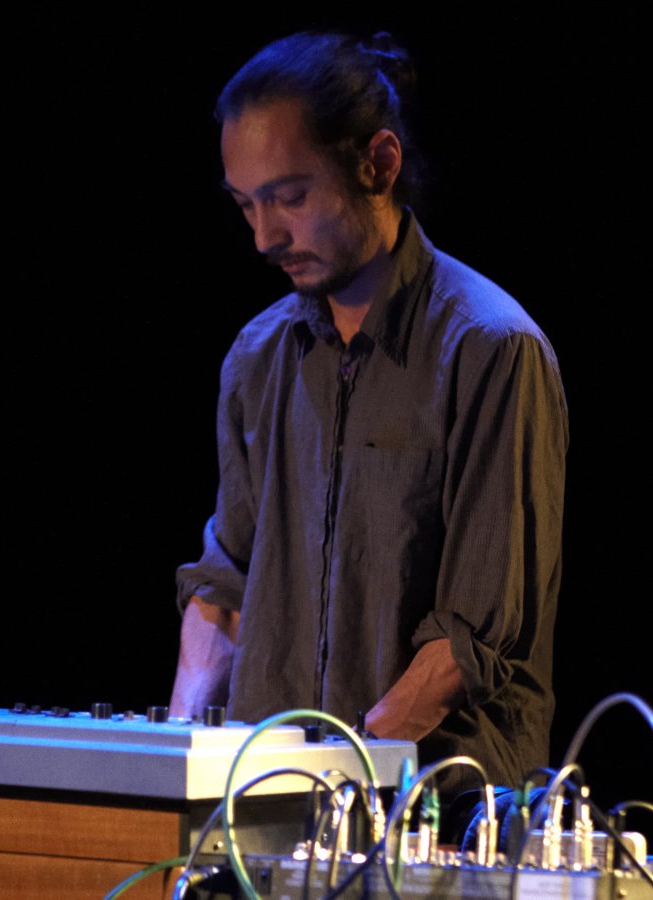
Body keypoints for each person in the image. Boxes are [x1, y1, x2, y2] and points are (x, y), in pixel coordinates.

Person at [170, 32, 567, 797]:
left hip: (430, 812)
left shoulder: (490, 350)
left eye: (291, 197)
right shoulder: (256, 357)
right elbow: (225, 588)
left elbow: (466, 644)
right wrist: (176, 758)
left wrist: (333, 775)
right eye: (246, 205)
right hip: (272, 805)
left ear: (378, 164)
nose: (264, 237)